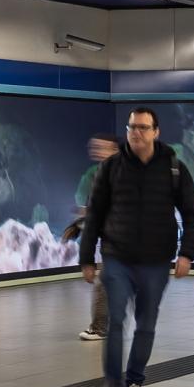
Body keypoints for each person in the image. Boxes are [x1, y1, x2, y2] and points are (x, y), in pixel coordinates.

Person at [80, 107, 194, 387]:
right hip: (117, 256)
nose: (137, 133)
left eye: (144, 128)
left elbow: (191, 213)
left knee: (146, 324)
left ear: (156, 132)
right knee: (117, 320)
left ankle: (135, 380)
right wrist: (86, 257)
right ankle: (112, 383)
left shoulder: (173, 167)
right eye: (133, 127)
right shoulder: (111, 167)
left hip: (156, 260)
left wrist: (187, 253)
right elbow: (94, 213)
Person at [74, 134, 120, 341]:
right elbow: (92, 213)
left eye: (101, 147)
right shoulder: (97, 175)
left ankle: (102, 327)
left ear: (115, 149)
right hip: (111, 240)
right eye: (93, 146)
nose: (96, 150)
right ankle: (103, 326)